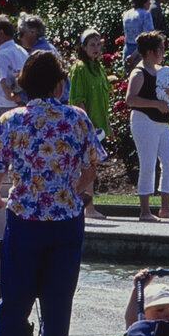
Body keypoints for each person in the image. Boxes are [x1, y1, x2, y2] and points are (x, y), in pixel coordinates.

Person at [0, 50, 106, 336]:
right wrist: (69, 191)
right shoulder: (77, 119)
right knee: (58, 301)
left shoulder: (13, 120)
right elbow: (90, 169)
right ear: (60, 84)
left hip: (25, 217)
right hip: (66, 219)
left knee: (14, 298)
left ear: (24, 85)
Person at [126, 31, 169, 222]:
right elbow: (130, 99)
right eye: (160, 49)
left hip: (161, 122)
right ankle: (144, 211)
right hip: (144, 121)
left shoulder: (161, 71)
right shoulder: (139, 72)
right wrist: (155, 104)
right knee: (148, 165)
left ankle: (165, 208)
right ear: (150, 51)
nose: (163, 52)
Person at [66, 28, 112, 221]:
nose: (96, 48)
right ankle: (88, 207)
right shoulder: (80, 68)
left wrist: (107, 125)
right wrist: (86, 125)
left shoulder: (98, 68)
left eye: (98, 44)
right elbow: (78, 99)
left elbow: (103, 99)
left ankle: (86, 205)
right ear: (83, 47)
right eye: (91, 44)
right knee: (87, 165)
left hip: (98, 124)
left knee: (90, 164)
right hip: (85, 126)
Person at [0, 14, 28, 113]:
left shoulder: (2, 55)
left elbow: (7, 89)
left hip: (6, 110)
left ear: (1, 33)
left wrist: (17, 98)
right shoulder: (21, 51)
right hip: (23, 108)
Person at [120, 0, 155, 67]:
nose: (150, 4)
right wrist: (134, 55)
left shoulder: (127, 14)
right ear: (144, 2)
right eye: (148, 1)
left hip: (127, 49)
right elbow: (147, 37)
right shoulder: (145, 14)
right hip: (140, 51)